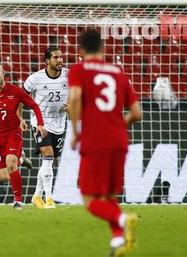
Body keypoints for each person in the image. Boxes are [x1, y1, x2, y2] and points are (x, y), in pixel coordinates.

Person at [68, 29, 142, 257]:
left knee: (89, 200)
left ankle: (122, 219)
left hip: (95, 141)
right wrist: (119, 122)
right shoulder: (118, 72)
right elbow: (137, 113)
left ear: (80, 51)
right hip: (119, 140)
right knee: (108, 197)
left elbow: (75, 99)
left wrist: (75, 132)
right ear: (103, 49)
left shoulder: (78, 70)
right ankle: (118, 240)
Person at [0, 62, 46, 210]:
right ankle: (21, 158)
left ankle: (18, 202)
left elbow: (34, 105)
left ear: (3, 73)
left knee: (11, 162)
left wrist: (39, 123)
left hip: (12, 134)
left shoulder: (15, 91)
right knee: (4, 176)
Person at [23, 46, 69, 209]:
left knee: (50, 161)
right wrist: (20, 118)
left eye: (61, 57)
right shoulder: (35, 79)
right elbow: (22, 97)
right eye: (56, 58)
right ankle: (49, 199)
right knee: (48, 155)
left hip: (59, 122)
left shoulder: (69, 76)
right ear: (47, 61)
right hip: (40, 122)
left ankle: (36, 196)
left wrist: (72, 105)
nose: (60, 60)